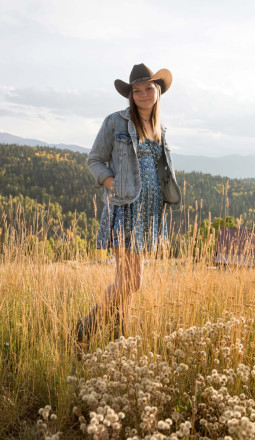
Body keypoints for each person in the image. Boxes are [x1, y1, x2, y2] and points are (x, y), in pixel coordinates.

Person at [76, 63, 181, 347]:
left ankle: (117, 338)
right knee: (131, 282)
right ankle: (84, 331)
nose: (144, 94)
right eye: (138, 90)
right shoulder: (116, 122)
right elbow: (94, 160)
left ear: (158, 91)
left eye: (149, 88)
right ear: (131, 95)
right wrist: (112, 183)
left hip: (149, 211)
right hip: (124, 206)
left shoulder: (160, 129)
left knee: (127, 282)